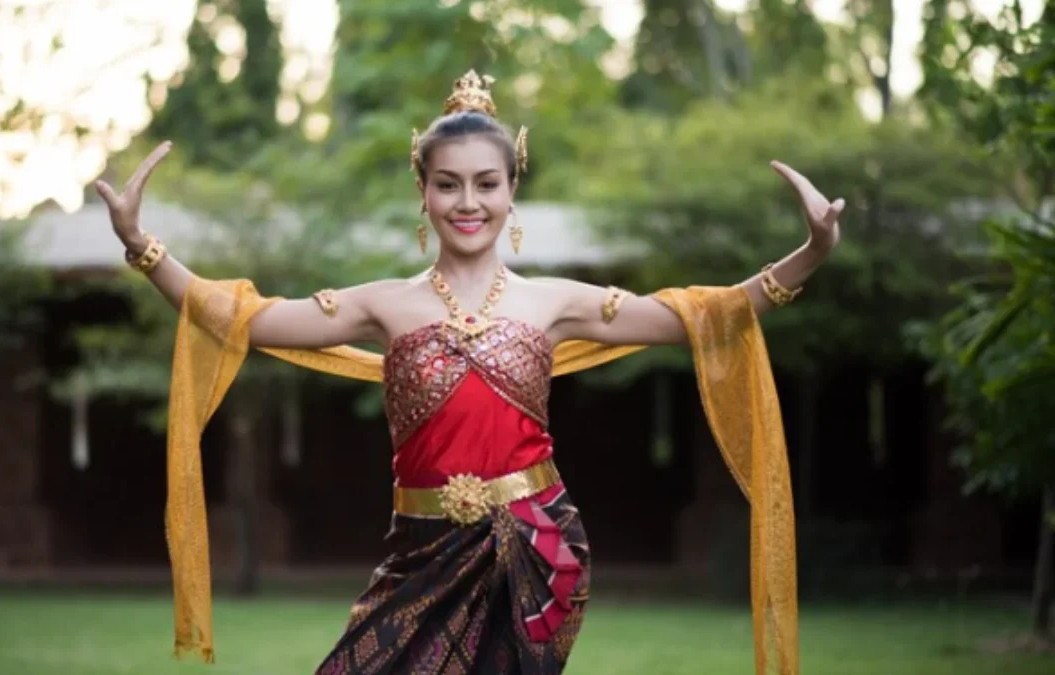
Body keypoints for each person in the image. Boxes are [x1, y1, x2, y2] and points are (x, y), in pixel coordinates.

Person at [96, 70, 843, 675]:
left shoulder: (554, 300)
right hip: (419, 553)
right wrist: (143, 247)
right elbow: (246, 321)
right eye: (448, 183)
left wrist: (808, 252)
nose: (468, 201)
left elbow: (699, 316)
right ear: (421, 189)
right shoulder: (384, 305)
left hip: (539, 545)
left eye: (487, 183)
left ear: (511, 188)